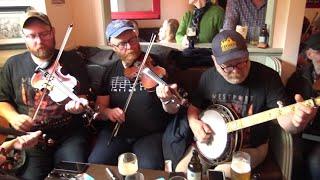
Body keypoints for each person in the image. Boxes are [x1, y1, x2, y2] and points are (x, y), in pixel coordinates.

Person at [175, 30, 317, 177]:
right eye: (228, 66)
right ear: (214, 61)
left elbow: (284, 117)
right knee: (180, 172)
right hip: (210, 143)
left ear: (247, 54)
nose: (236, 70)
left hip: (250, 148)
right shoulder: (208, 77)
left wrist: (296, 122)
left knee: (221, 174)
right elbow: (194, 107)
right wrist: (194, 124)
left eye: (241, 62)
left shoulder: (268, 77)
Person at [0, 11, 90, 180]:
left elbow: (83, 94)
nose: (39, 41)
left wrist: (80, 106)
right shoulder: (13, 64)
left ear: (53, 32)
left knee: (72, 176)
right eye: (32, 36)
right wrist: (13, 117)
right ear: (24, 38)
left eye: (44, 34)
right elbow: (2, 100)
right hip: (30, 139)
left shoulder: (73, 59)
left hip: (69, 134)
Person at [88, 20, 180, 170]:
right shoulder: (109, 71)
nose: (130, 47)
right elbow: (100, 107)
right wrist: (107, 112)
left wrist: (167, 100)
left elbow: (173, 109)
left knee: (150, 168)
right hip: (116, 132)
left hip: (149, 134)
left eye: (132, 40)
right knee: (95, 165)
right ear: (113, 47)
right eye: (122, 44)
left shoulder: (158, 65)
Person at [286, 33, 320, 180]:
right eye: (319, 52)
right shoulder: (298, 78)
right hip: (301, 134)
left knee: (316, 163)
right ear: (310, 54)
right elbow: (287, 108)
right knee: (292, 160)